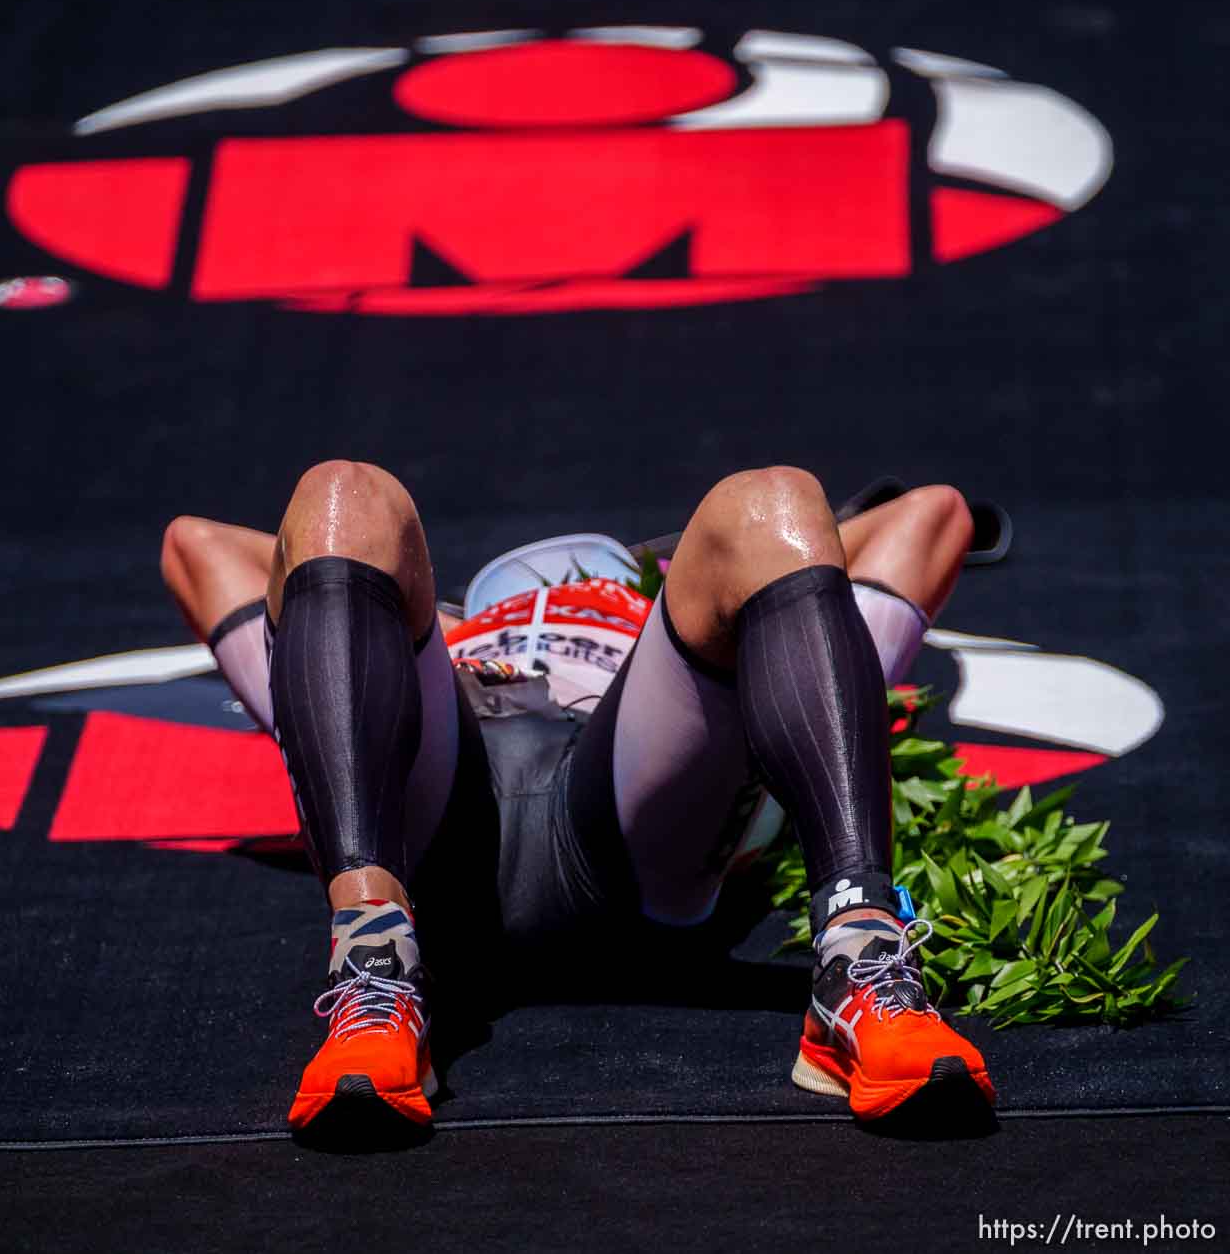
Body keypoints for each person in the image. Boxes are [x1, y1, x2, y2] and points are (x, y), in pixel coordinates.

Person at [160, 463, 994, 1133]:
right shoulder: (381, 664)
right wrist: (407, 615)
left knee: (768, 499)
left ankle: (858, 967)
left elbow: (935, 512)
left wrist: (719, 565)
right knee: (343, 493)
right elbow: (194, 545)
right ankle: (373, 968)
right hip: (430, 808)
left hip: (632, 808)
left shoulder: (729, 645)